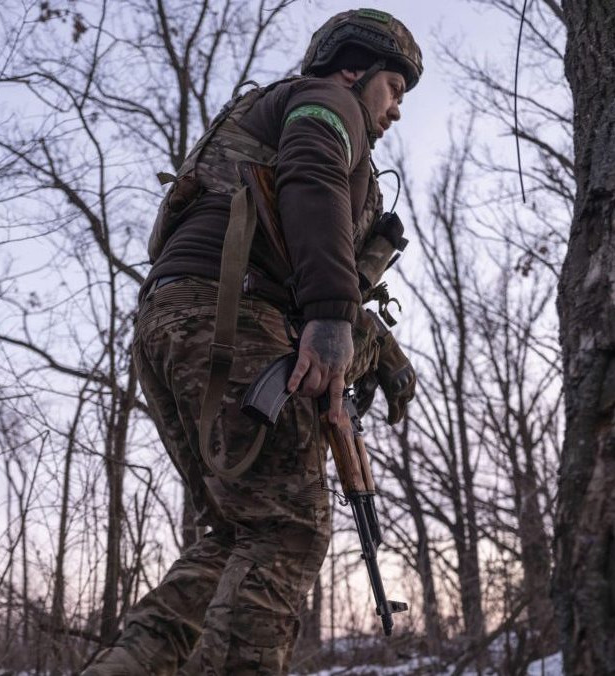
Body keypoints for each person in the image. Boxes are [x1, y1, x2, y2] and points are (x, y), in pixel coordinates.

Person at [83, 8, 422, 675]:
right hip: (226, 317)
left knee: (239, 528)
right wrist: (331, 317)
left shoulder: (271, 116)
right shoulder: (327, 101)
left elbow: (292, 238)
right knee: (286, 528)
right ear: (355, 67)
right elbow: (313, 175)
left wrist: (373, 342)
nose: (397, 110)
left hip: (172, 323)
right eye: (395, 88)